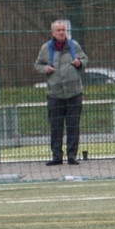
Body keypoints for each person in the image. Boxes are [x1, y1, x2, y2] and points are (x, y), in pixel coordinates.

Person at [34, 20, 89, 166]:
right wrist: (45, 69)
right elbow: (37, 64)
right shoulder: (46, 48)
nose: (61, 32)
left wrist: (80, 63)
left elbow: (85, 60)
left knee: (73, 126)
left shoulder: (73, 46)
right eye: (58, 30)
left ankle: (72, 156)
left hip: (74, 93)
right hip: (55, 94)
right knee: (56, 127)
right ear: (53, 33)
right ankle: (57, 156)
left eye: (63, 29)